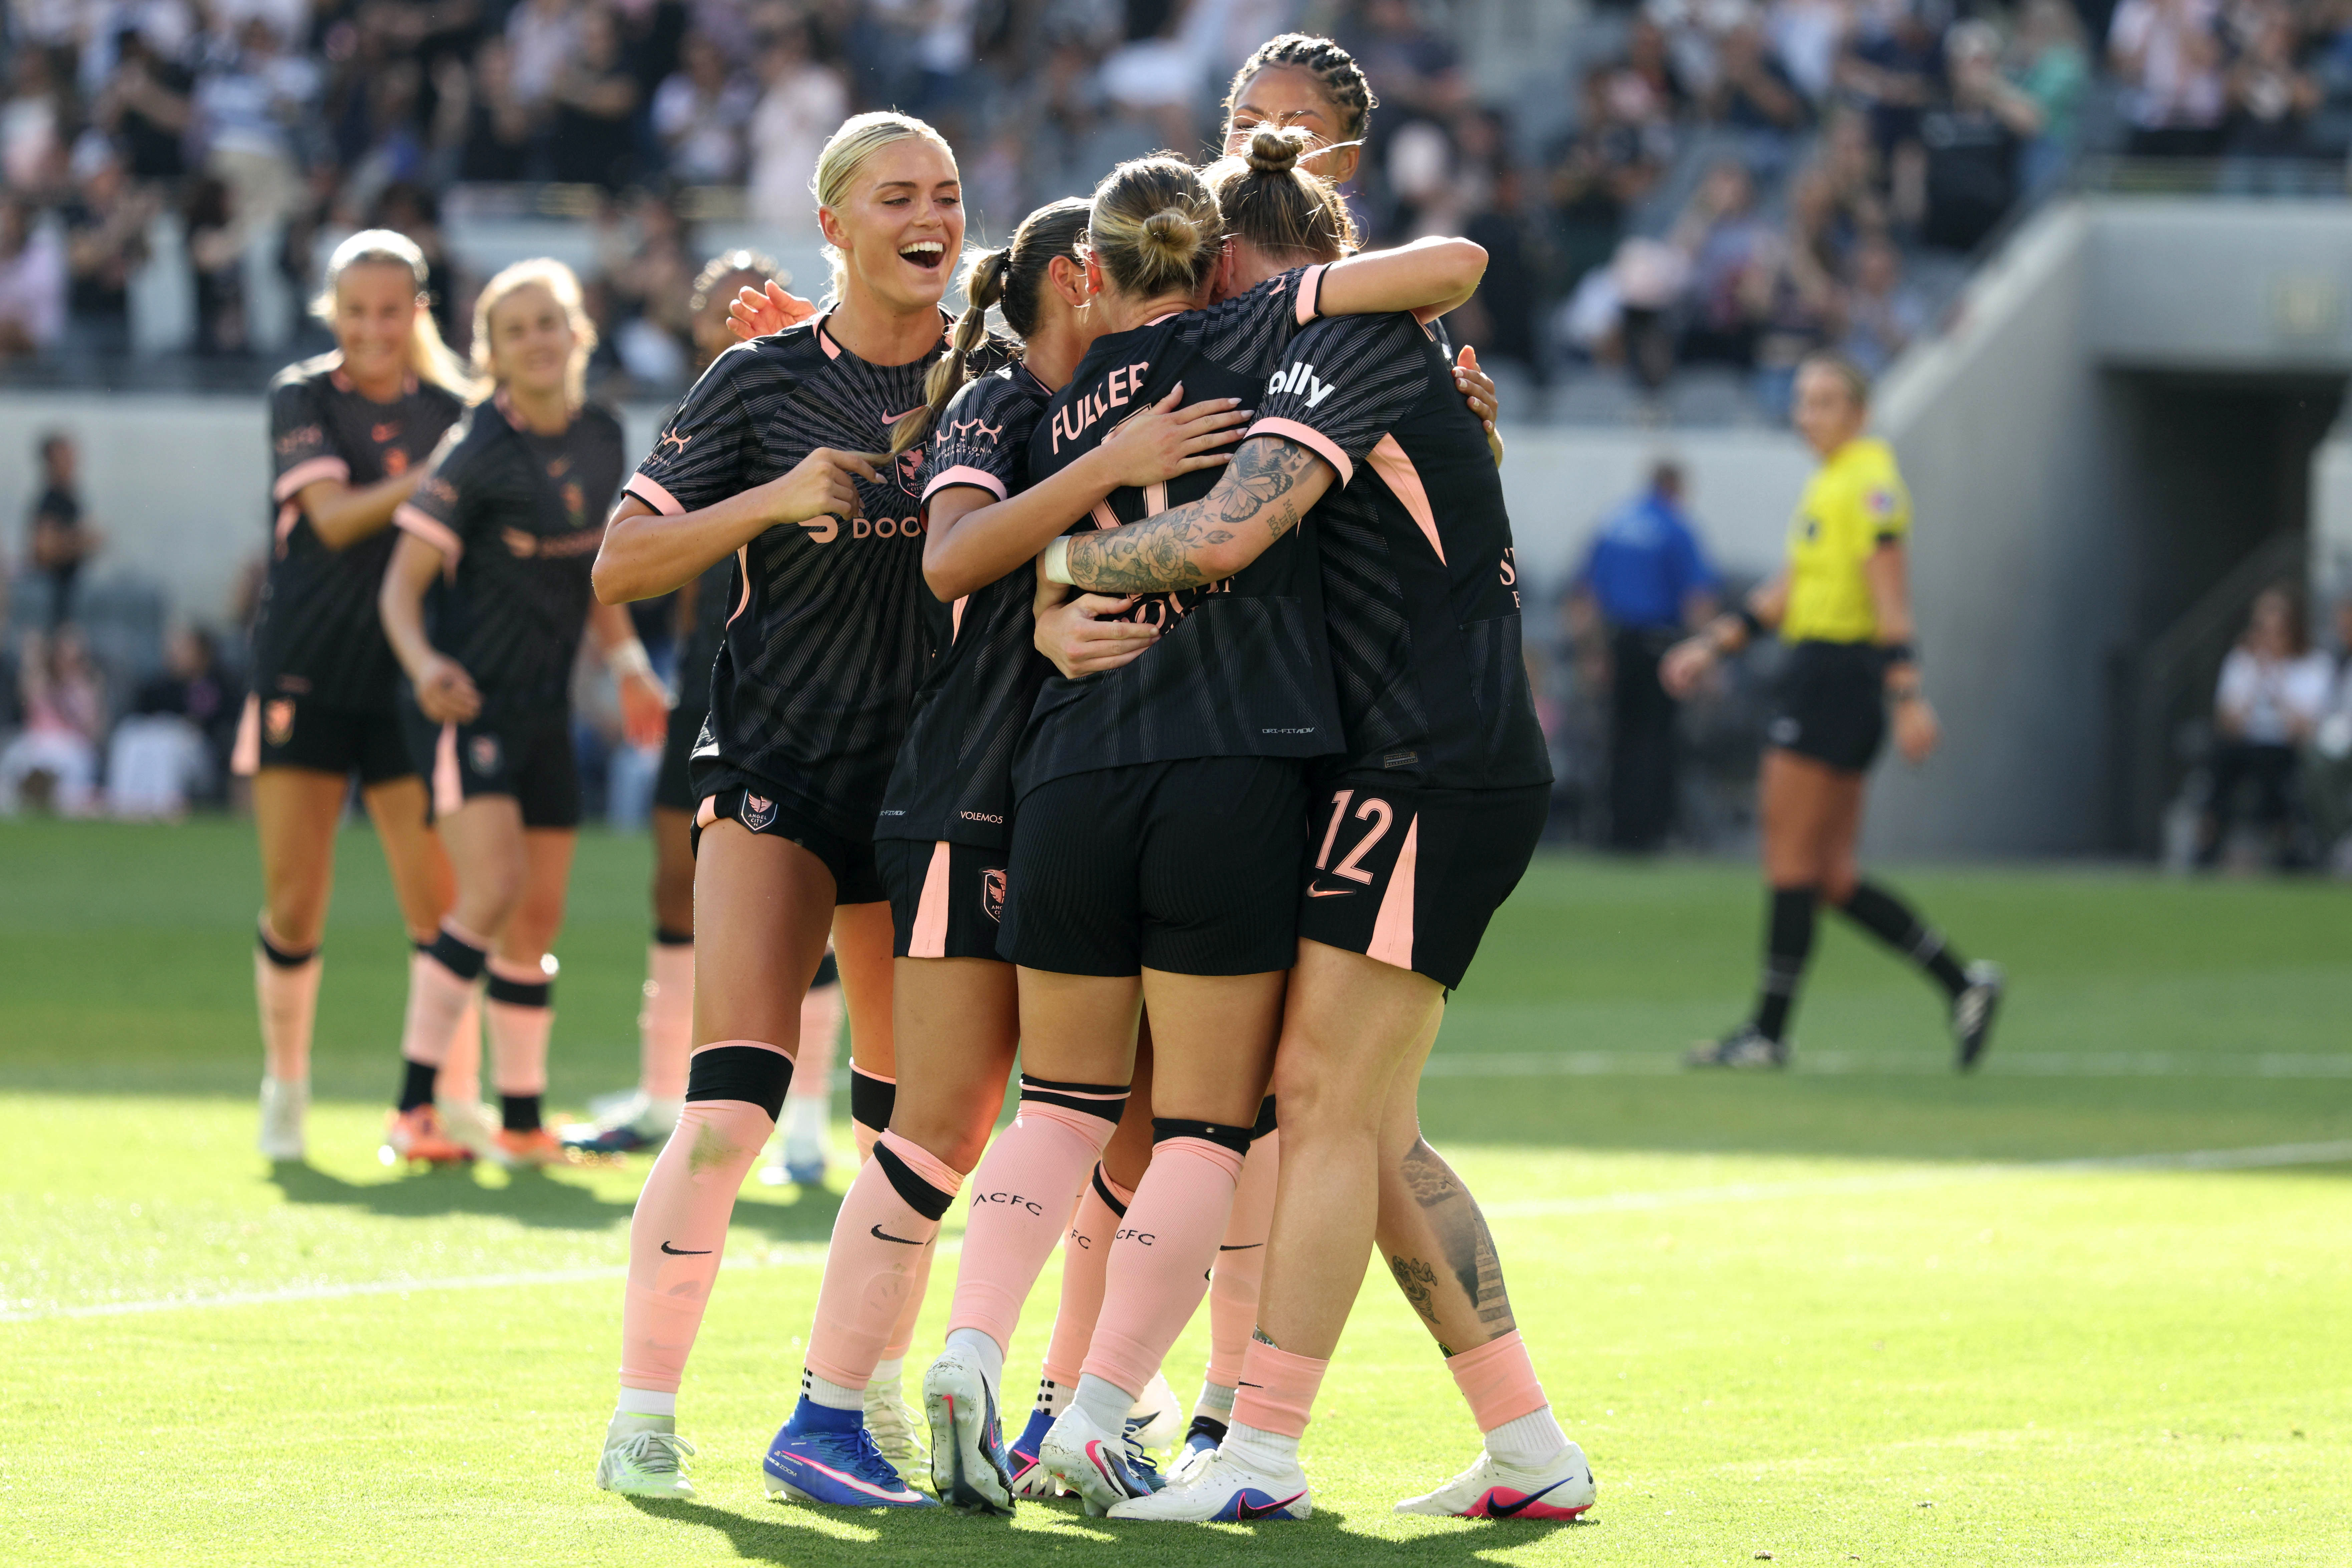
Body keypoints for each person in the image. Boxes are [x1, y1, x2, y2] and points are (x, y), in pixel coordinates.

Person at [917, 137, 1486, 1518]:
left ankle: (971, 1347)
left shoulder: (1052, 411)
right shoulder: (1257, 332)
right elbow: (1443, 270)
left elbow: (978, 559)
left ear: (1090, 274)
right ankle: (1095, 1415)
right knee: (1203, 1125)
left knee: (1058, 1104)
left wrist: (1053, 580)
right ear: (1213, 257)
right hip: (1229, 770)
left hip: (1065, 775)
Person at [1036, 138, 1588, 1529]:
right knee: (1373, 1125)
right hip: (1420, 762)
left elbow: (1222, 534)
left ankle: (1262, 1450)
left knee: (1320, 1098)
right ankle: (1526, 1439)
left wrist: (1042, 555)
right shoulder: (1358, 344)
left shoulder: (1336, 344)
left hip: (1426, 763)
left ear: (1229, 261)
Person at [585, 110, 977, 1503]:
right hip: (775, 771)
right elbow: (621, 563)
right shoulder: (758, 379)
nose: (929, 217)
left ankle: (864, 1394)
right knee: (732, 1104)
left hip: (930, 793)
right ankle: (642, 1415)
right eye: (897, 195)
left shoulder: (992, 375)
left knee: (908, 1131)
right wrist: (768, 498)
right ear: (833, 225)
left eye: (946, 194)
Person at [377, 258, 665, 1166]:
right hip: (468, 707)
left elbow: (596, 573)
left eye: (550, 322)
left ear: (579, 332)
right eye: (516, 330)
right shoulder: (474, 451)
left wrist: (628, 667)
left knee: (536, 921)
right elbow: (399, 590)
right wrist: (425, 665)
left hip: (548, 709)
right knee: (492, 890)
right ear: (491, 354)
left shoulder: (604, 434)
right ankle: (413, 1109)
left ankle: (524, 1121)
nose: (538, 340)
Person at [559, 250, 842, 1174]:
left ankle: (807, 1122)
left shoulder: (824, 398)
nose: (736, 319)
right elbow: (641, 560)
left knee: (814, 896)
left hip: (804, 676)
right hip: (708, 674)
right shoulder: (694, 416)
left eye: (752, 302)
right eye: (721, 307)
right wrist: (644, 667)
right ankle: (659, 1094)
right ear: (694, 322)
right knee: (675, 881)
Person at [1663, 352, 2004, 1071]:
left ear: (1859, 413)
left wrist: (1907, 695)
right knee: (1831, 877)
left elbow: (1889, 599)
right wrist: (1713, 645)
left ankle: (1766, 1033)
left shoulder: (1868, 485)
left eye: (1823, 402)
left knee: (1788, 858)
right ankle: (1963, 984)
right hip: (1827, 677)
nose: (1806, 415)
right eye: (1801, 400)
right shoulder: (1833, 480)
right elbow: (1790, 588)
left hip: (1834, 680)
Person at [239, 230, 471, 1164]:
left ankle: (442, 1106)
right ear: (330, 313)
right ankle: (286, 1089)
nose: (373, 328)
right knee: (296, 903)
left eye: (390, 310)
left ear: (419, 311)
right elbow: (332, 519)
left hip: (409, 681)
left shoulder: (453, 409)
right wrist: (447, 470)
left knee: (438, 905)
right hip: (304, 671)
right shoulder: (302, 396)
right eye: (355, 311)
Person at [1575, 461, 1718, 852]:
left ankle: (1618, 831)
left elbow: (1586, 597)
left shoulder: (1613, 525)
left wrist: (1592, 654)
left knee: (1621, 738)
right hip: (1661, 646)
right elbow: (1697, 599)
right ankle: (1652, 832)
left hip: (1618, 644)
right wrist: (1708, 655)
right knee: (1658, 739)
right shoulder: (1677, 528)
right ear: (1675, 487)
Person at [2197, 584, 2330, 869]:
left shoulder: (2314, 665)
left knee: (2275, 770)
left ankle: (2286, 845)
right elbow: (2227, 722)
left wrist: (2277, 682)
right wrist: (2256, 678)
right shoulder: (2242, 662)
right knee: (2219, 757)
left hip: (2283, 748)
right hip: (2245, 744)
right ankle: (2208, 842)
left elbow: (2304, 729)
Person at [26, 434, 103, 631]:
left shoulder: (72, 499)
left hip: (70, 592)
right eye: (66, 458)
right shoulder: (50, 501)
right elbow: (42, 551)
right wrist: (81, 541)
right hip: (52, 596)